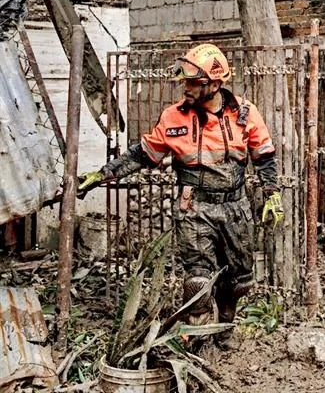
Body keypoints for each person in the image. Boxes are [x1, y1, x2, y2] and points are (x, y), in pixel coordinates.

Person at [78, 44, 284, 344]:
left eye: (193, 83)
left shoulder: (245, 113)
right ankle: (196, 340)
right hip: (194, 207)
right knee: (197, 279)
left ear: (214, 84)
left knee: (239, 280)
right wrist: (103, 174)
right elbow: (142, 155)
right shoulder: (173, 117)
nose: (186, 88)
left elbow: (264, 156)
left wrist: (272, 194)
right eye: (184, 81)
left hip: (236, 207)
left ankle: (224, 328)